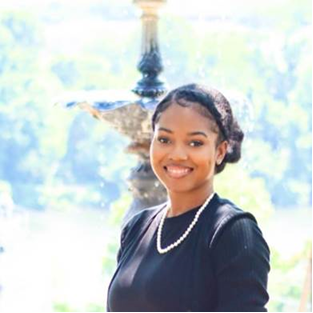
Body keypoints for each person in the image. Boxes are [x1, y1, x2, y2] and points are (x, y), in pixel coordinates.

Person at [107, 84, 270, 312]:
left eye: (195, 143)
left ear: (220, 151)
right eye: (164, 139)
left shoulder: (232, 231)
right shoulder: (137, 227)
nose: (177, 154)